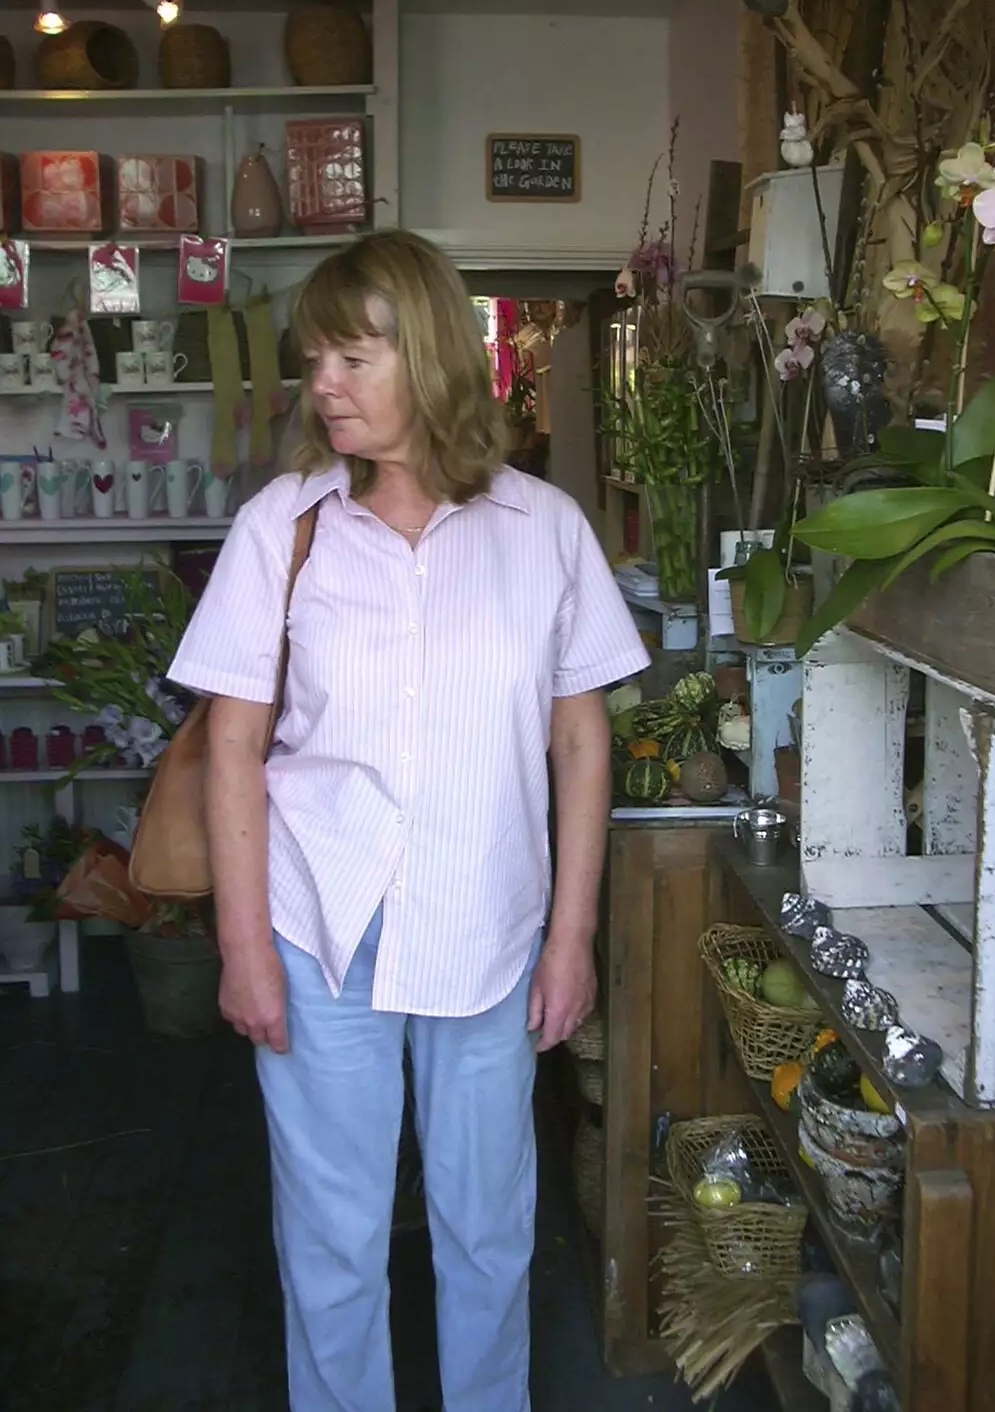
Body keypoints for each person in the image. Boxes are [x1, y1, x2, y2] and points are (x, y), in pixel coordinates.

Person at [167, 229, 649, 1412]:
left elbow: (580, 738)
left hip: (484, 928)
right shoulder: (283, 528)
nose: (321, 383)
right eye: (313, 358)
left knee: (487, 1224)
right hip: (319, 925)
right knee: (330, 1235)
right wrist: (242, 949)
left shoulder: (544, 530)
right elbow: (232, 741)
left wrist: (571, 937)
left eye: (351, 355)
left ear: (429, 355)